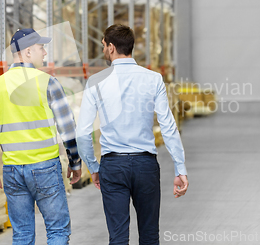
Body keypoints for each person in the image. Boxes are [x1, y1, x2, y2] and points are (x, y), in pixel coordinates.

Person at [76, 24, 189, 245]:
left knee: (117, 238)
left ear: (111, 47)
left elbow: (82, 133)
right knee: (149, 236)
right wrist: (180, 168)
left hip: (113, 166)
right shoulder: (153, 79)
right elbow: (168, 126)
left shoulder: (96, 82)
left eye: (103, 46)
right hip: (145, 166)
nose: (103, 50)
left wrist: (93, 168)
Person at [0, 28, 82, 245]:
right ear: (27, 52)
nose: (44, 53)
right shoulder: (47, 82)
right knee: (57, 231)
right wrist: (75, 162)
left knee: (23, 234)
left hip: (13, 171)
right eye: (41, 48)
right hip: (44, 167)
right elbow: (68, 129)